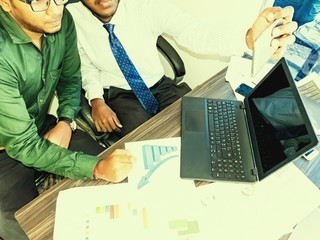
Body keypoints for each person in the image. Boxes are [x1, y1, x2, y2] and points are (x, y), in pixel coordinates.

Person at [0, 0, 136, 239]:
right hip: (6, 146)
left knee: (120, 182)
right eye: (40, 2)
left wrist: (65, 120)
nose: (56, 10)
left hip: (42, 125)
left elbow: (71, 79)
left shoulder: (62, 23)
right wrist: (95, 168)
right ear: (6, 4)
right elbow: (24, 144)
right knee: (30, 228)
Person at [66, 0, 298, 137]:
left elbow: (194, 32)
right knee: (145, 149)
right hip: (120, 93)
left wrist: (247, 38)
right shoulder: (71, 19)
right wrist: (96, 100)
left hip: (158, 83)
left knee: (203, 133)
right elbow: (85, 66)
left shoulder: (146, 5)